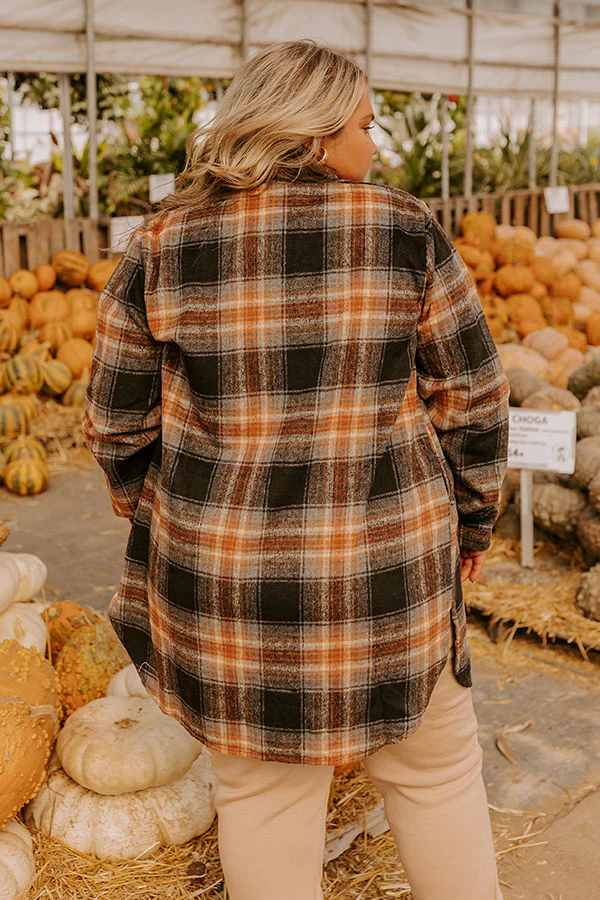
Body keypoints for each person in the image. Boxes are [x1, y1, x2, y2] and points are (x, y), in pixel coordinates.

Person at [83, 39, 510, 900]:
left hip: (230, 588)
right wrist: (472, 523)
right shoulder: (404, 230)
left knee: (264, 804)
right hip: (388, 576)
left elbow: (114, 423)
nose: (376, 144)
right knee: (433, 780)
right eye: (364, 125)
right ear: (311, 135)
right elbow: (472, 399)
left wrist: (155, 510)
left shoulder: (162, 241)